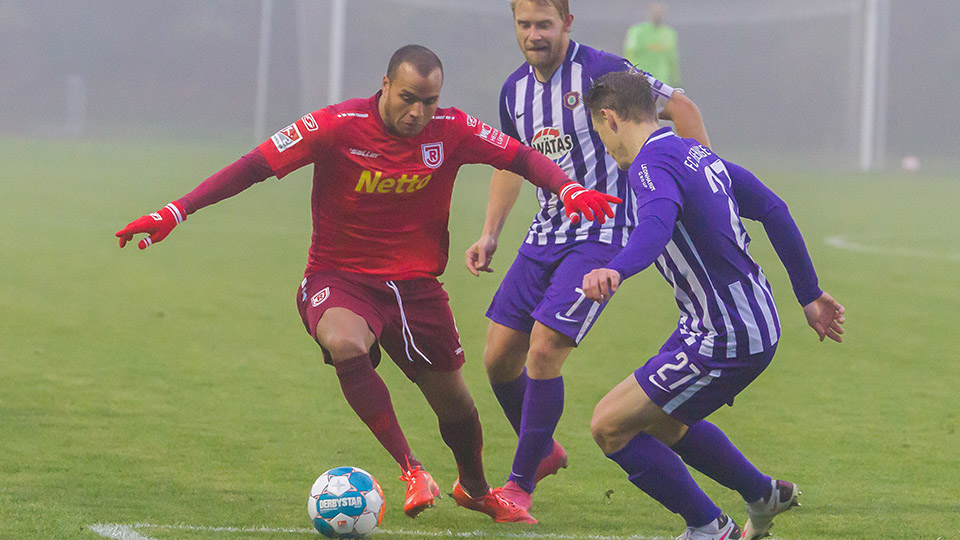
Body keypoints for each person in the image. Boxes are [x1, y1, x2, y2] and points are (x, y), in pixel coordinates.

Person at [115, 44, 620, 525]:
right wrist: (176, 211)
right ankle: (411, 469)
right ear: (384, 85)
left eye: (429, 101)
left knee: (458, 408)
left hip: (417, 288)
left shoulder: (453, 128)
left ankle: (475, 489)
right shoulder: (335, 125)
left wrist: (568, 187)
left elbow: (520, 156)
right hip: (339, 278)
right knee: (344, 342)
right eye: (408, 98)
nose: (419, 112)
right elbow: (252, 166)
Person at [463, 0, 710, 520]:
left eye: (544, 24)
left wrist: (705, 187)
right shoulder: (515, 90)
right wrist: (489, 232)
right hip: (546, 230)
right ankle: (544, 448)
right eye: (524, 25)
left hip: (604, 232)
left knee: (545, 349)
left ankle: (520, 483)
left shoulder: (601, 70)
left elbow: (682, 108)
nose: (534, 34)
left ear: (567, 24)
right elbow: (512, 161)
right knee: (497, 359)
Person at [579, 71, 845, 540]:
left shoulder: (648, 166)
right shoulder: (694, 152)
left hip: (728, 333)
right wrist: (808, 293)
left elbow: (656, 225)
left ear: (609, 118)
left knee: (609, 426)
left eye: (601, 133)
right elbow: (773, 207)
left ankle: (709, 528)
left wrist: (616, 269)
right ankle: (763, 495)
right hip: (735, 318)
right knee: (659, 418)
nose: (605, 145)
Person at [623, 2, 681, 87]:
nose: (658, 14)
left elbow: (673, 60)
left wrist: (676, 81)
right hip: (640, 80)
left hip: (661, 82)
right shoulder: (637, 31)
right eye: (655, 11)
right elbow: (629, 54)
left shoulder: (669, 34)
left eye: (660, 12)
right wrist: (627, 76)